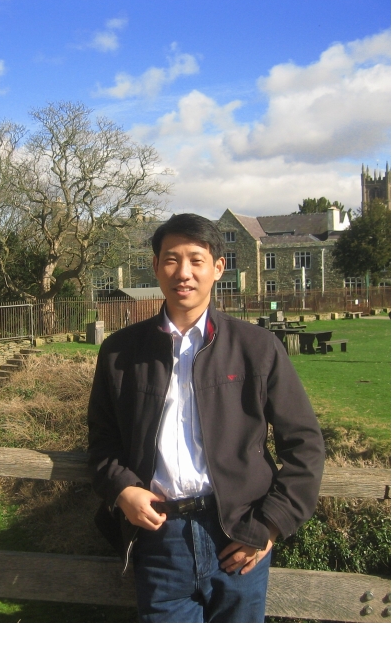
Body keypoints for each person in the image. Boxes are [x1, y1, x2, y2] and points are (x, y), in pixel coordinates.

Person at [87, 213, 325, 623]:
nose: (183, 272)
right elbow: (102, 442)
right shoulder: (119, 352)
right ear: (155, 266)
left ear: (218, 268)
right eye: (171, 259)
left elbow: (306, 445)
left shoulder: (257, 348)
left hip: (239, 535)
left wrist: (269, 525)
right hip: (158, 537)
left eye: (196, 260)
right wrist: (122, 490)